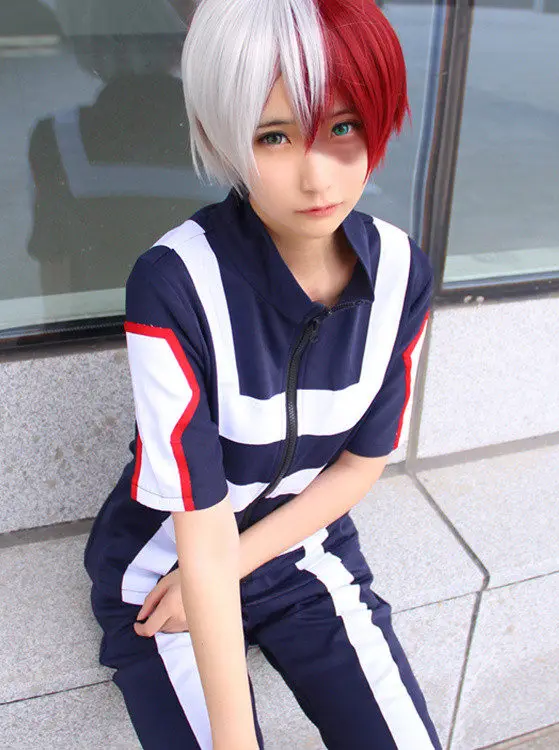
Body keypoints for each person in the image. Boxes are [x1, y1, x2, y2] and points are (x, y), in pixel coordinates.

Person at [83, 0, 441, 748]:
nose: (317, 175)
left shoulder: (400, 270)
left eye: (343, 127)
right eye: (274, 136)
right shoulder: (175, 281)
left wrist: (248, 559)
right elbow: (201, 527)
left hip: (300, 549)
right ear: (222, 137)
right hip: (167, 569)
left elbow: (360, 464)